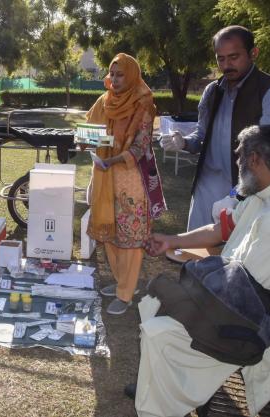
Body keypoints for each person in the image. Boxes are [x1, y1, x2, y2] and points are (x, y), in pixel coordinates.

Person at [130, 124, 270, 417]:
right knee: (156, 305)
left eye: (240, 157)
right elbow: (218, 231)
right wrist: (171, 240)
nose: (237, 164)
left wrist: (194, 289)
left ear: (255, 160)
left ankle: (160, 402)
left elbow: (249, 291)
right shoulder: (258, 198)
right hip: (230, 301)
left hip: (251, 321)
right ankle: (157, 389)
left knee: (160, 332)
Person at [160, 25, 270, 230]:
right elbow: (201, 136)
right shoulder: (212, 90)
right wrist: (184, 142)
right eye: (220, 58)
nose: (226, 65)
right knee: (193, 252)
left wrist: (235, 196)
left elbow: (269, 156)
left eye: (233, 57)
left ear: (253, 53)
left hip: (246, 192)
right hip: (205, 187)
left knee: (231, 259)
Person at [86, 53, 166, 315]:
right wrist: (85, 141)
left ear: (131, 75)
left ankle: (126, 293)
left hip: (131, 180)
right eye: (112, 74)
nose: (115, 79)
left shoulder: (142, 103)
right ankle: (121, 282)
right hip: (105, 176)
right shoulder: (105, 101)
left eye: (121, 74)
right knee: (110, 232)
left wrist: (113, 160)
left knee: (130, 236)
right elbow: (91, 131)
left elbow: (141, 146)